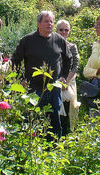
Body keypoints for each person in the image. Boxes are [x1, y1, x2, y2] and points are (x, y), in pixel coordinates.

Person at [11, 11, 72, 139]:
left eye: (51, 21)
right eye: (46, 21)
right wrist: (20, 79)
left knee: (54, 120)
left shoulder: (59, 40)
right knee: (32, 119)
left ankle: (54, 148)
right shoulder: (27, 40)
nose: (49, 24)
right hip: (33, 89)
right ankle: (33, 147)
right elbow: (15, 60)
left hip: (54, 88)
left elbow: (68, 59)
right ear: (38, 23)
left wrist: (63, 77)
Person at [56, 19, 80, 134]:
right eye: (61, 30)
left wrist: (65, 81)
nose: (64, 32)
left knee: (67, 111)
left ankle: (65, 137)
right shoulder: (50, 44)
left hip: (68, 84)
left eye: (66, 30)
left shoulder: (72, 47)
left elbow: (75, 66)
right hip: (53, 82)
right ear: (56, 30)